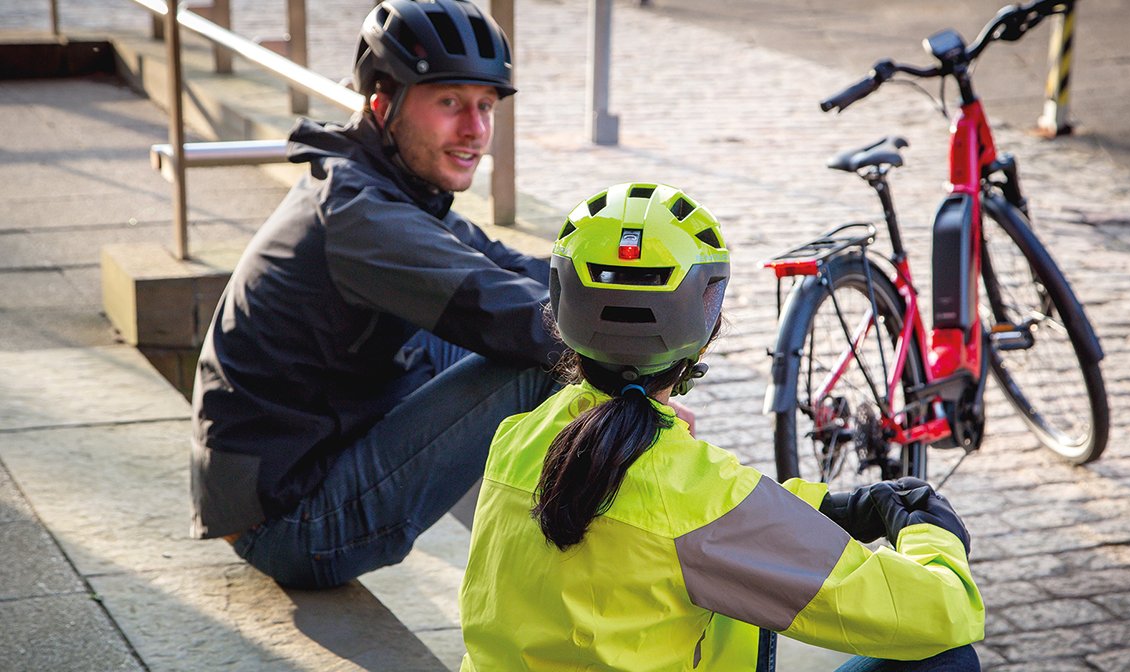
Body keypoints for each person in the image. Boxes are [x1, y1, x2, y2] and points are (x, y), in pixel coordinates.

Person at [458, 183, 985, 671]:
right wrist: (934, 537)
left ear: (562, 305)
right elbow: (941, 612)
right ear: (705, 324)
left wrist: (826, 510)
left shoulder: (517, 438)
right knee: (947, 659)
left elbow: (684, 523)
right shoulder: (697, 497)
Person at [189, 0, 560, 589]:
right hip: (290, 521)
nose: (475, 130)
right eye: (449, 103)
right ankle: (563, 568)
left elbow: (504, 264)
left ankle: (530, 527)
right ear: (382, 102)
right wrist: (646, 361)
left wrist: (619, 274)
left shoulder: (382, 182)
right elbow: (509, 312)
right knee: (551, 364)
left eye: (486, 106)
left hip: (309, 452)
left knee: (557, 349)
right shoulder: (363, 216)